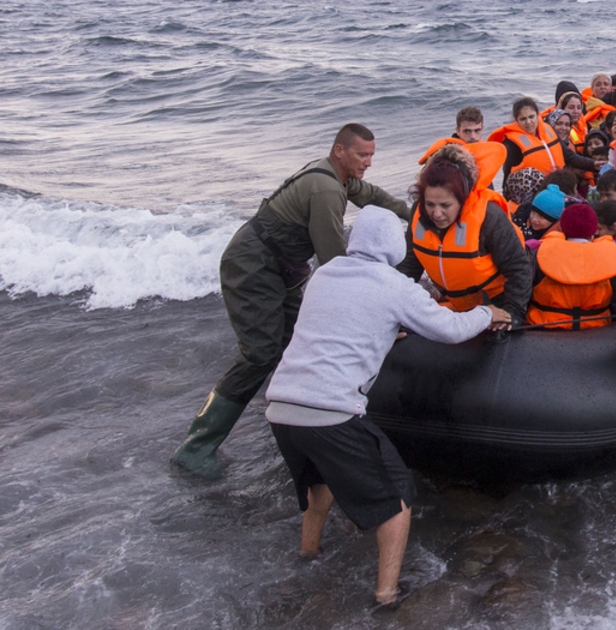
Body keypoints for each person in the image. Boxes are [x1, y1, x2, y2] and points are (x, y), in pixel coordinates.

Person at [264, 206, 511, 609]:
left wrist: (385, 328)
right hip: (331, 411)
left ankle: (309, 554)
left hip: (281, 407)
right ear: (396, 246)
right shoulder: (395, 285)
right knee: (396, 496)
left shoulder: (323, 274)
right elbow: (449, 330)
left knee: (319, 482)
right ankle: (387, 595)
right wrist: (487, 313)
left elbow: (341, 322)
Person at [171, 124, 410, 477]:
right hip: (252, 266)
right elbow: (334, 265)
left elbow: (371, 195)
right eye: (362, 155)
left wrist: (415, 214)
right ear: (339, 151)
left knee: (297, 345)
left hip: (280, 270)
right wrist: (378, 312)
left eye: (372, 155)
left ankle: (296, 428)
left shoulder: (338, 176)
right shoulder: (326, 189)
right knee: (260, 353)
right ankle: (196, 448)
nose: (369, 162)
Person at [396, 143, 531, 328]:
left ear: (463, 199)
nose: (436, 213)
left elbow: (519, 267)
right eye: (430, 204)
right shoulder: (418, 213)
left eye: (445, 205)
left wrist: (513, 313)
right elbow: (410, 265)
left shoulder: (489, 216)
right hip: (459, 306)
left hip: (497, 302)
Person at [527, 203, 616, 329]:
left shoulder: (540, 254)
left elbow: (522, 290)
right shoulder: (607, 257)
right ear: (593, 231)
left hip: (543, 331)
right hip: (595, 332)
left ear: (561, 228)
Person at [488, 97, 566, 185]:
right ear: (516, 120)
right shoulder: (511, 144)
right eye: (523, 119)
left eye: (531, 117)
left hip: (559, 185)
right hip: (533, 193)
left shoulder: (548, 129)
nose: (528, 122)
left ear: (538, 115)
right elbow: (507, 176)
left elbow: (568, 155)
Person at [418, 106, 484, 165]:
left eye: (477, 130)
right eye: (467, 131)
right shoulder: (446, 155)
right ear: (458, 131)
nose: (473, 136)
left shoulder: (484, 150)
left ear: (482, 129)